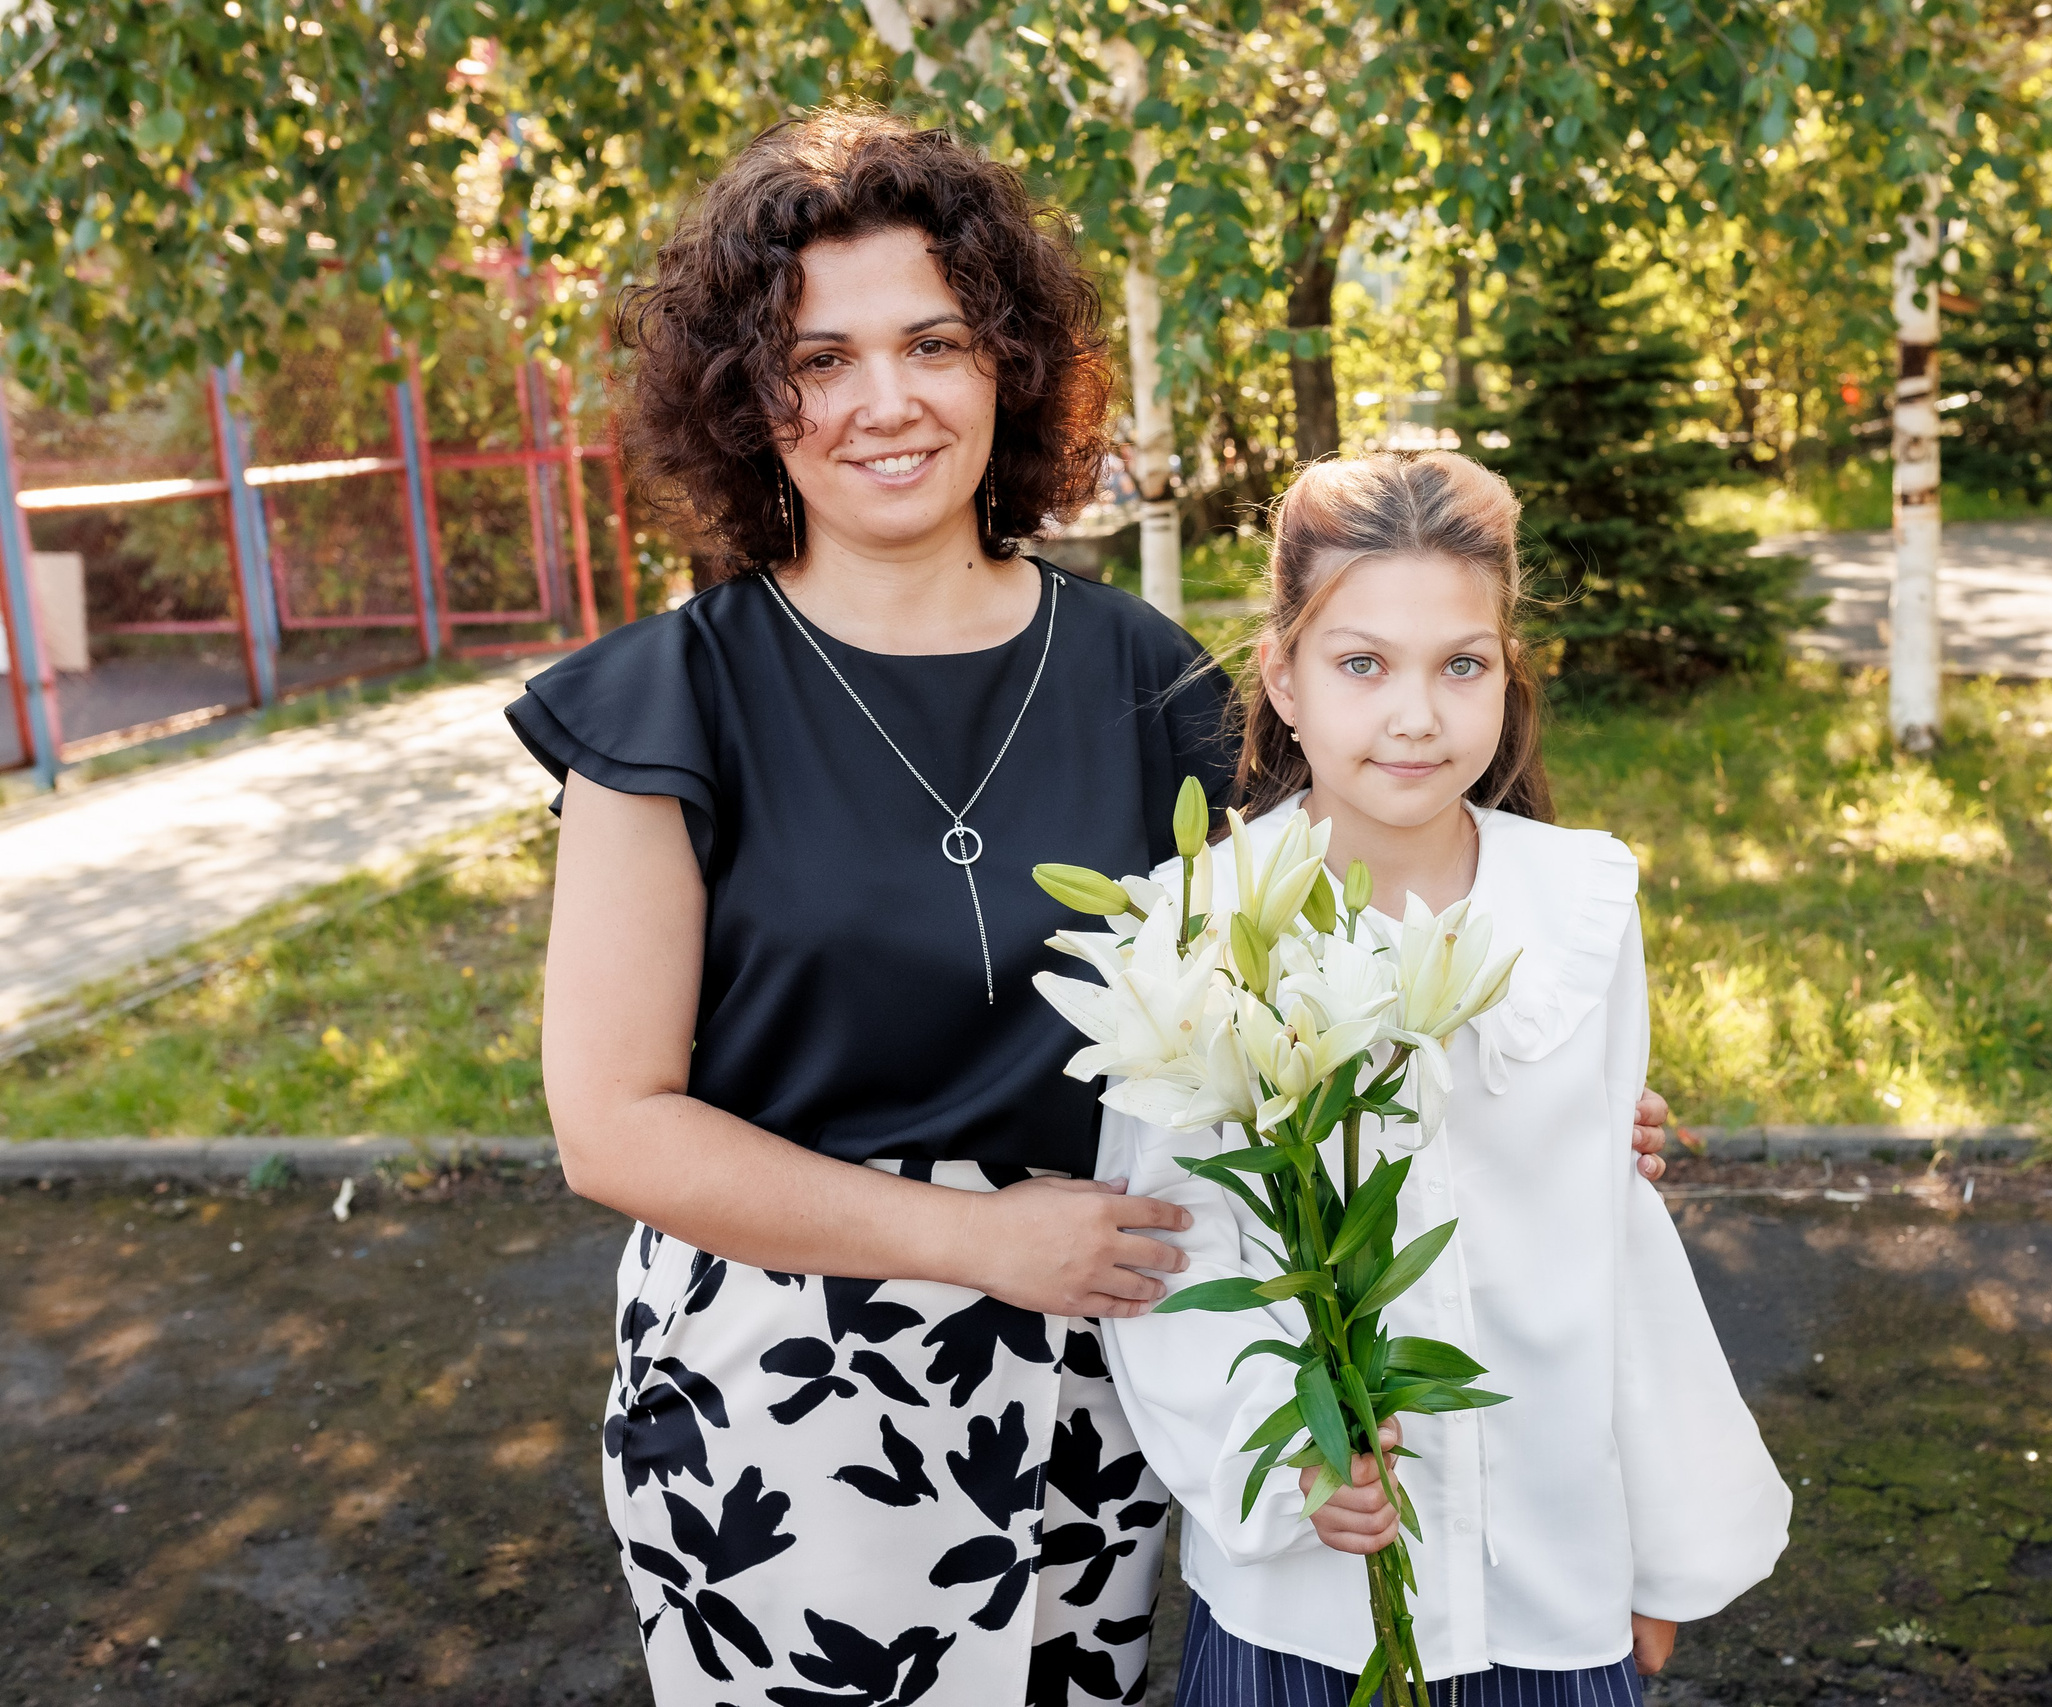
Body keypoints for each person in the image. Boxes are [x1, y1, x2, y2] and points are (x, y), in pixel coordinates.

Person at [514, 108, 1678, 1705]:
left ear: (1007, 359)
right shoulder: (666, 704)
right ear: (745, 395)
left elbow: (1336, 949)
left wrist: (1544, 1083)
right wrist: (980, 1239)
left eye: (932, 340)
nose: (886, 401)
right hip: (781, 1415)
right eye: (820, 356)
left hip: (1102, 1391)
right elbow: (615, 1127)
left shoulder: (1145, 672)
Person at [1099, 452, 1792, 1705]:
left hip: (1549, 1574)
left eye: (1459, 665)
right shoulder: (1204, 927)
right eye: (1362, 663)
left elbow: (1611, 1244)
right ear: (1283, 677)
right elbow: (1162, 1258)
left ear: (1505, 677)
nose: (1415, 715)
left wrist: (1664, 1553)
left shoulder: (1576, 903)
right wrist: (1290, 1468)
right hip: (1306, 1596)